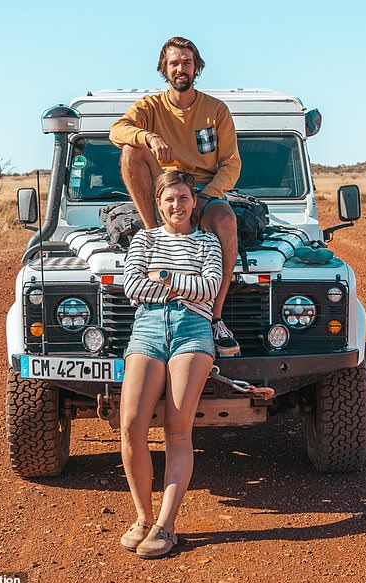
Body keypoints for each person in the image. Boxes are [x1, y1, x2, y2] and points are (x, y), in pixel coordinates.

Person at [109, 36, 242, 356]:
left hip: (203, 191)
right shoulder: (150, 107)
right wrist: (148, 136)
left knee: (225, 219)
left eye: (186, 62)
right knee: (130, 150)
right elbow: (117, 131)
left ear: (196, 68)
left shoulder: (216, 110)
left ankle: (216, 317)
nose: (180, 68)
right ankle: (153, 231)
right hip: (163, 190)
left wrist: (206, 197)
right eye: (174, 63)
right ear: (164, 69)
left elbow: (231, 164)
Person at [119, 170, 222, 559]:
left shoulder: (208, 242)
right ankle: (143, 517)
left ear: (194, 202)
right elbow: (132, 286)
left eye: (183, 198)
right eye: (169, 199)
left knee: (177, 429)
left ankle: (166, 525)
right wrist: (184, 281)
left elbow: (210, 288)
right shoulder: (143, 239)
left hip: (193, 329)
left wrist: (161, 275)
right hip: (146, 327)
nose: (176, 205)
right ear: (157, 203)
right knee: (131, 425)